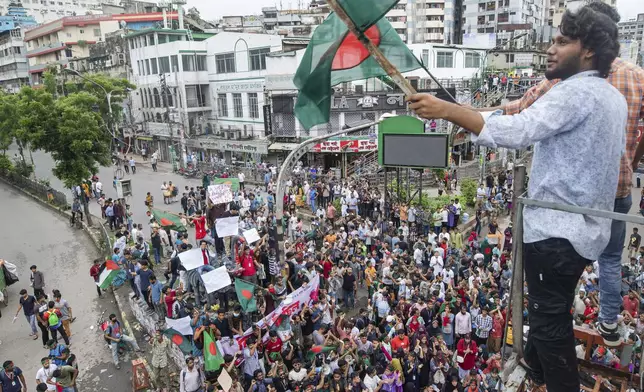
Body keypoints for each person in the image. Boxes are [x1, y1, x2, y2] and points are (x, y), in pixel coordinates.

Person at [410, 6, 624, 391]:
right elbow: (513, 116)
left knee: (549, 322)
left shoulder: (573, 94)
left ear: (588, 50)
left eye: (562, 41)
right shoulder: (611, 97)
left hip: (556, 233)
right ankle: (537, 371)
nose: (551, 49)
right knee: (551, 312)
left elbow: (518, 129)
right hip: (587, 231)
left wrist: (448, 110)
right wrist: (465, 111)